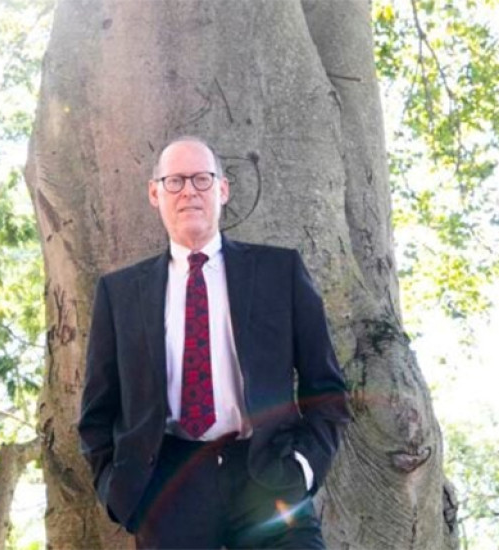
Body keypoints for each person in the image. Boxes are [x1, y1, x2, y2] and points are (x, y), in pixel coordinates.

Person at [78, 136, 351, 549]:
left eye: (202, 179)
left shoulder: (280, 272)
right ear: (155, 193)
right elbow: (98, 412)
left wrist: (305, 468)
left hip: (268, 475)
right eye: (175, 181)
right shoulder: (119, 294)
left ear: (222, 189)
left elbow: (326, 387)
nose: (189, 190)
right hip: (167, 487)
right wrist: (117, 490)